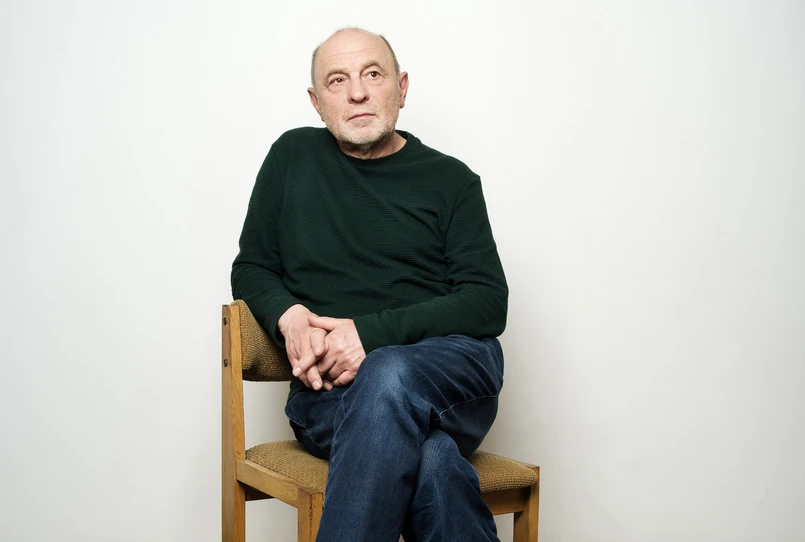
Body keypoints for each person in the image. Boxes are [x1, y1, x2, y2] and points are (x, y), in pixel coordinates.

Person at [231, 27, 508, 542]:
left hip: (450, 371)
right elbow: (252, 267)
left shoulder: (452, 181)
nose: (357, 92)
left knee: (387, 371)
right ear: (316, 101)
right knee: (434, 460)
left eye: (373, 74)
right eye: (337, 80)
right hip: (331, 395)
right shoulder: (292, 157)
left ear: (401, 88)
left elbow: (489, 302)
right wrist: (290, 317)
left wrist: (370, 336)